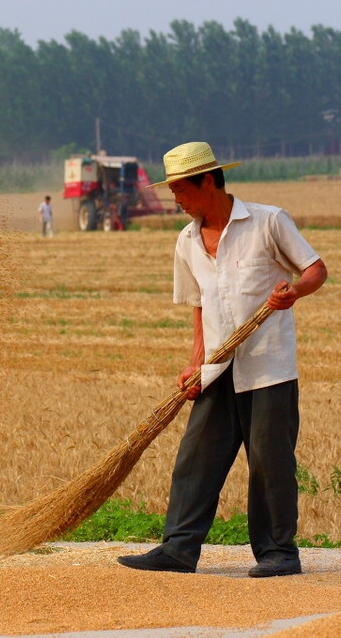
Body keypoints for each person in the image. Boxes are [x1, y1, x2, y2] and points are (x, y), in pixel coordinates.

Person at [117, 142, 327, 578]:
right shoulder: (187, 240)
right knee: (197, 457)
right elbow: (198, 306)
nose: (174, 199)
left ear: (207, 182)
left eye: (180, 190)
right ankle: (178, 549)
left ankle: (279, 552)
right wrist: (195, 364)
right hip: (217, 367)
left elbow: (314, 269)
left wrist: (294, 293)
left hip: (268, 366)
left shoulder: (268, 221)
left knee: (270, 461)